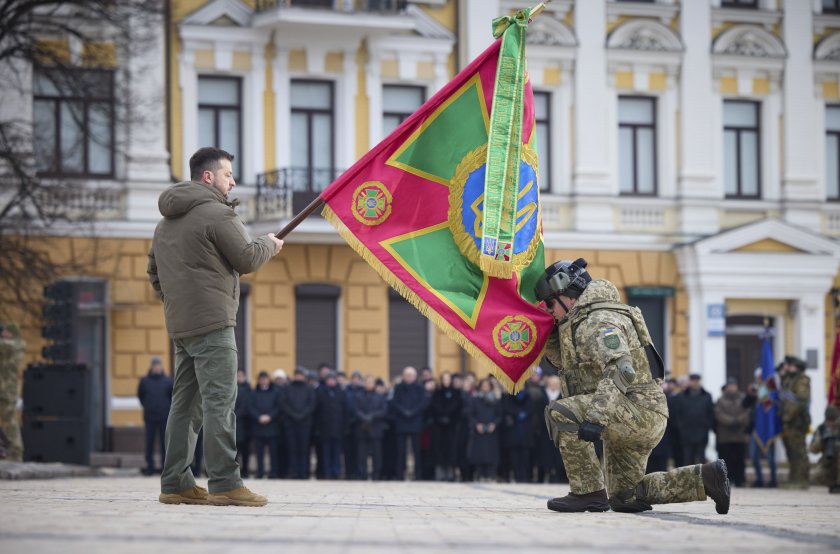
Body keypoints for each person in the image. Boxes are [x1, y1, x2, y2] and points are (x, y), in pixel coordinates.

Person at [539, 258, 730, 514]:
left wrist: (596, 417)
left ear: (569, 296)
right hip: (636, 413)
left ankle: (587, 493)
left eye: (550, 303)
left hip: (636, 412)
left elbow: (622, 368)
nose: (549, 310)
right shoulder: (583, 320)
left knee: (561, 412)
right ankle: (706, 478)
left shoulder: (598, 320)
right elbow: (567, 363)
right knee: (625, 497)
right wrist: (552, 334)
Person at [148, 146, 283, 506]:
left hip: (182, 326)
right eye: (228, 175)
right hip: (214, 324)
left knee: (185, 406)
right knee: (220, 402)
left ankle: (175, 482)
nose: (232, 182)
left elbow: (154, 273)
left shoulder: (165, 223)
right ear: (208, 177)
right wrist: (268, 244)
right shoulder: (217, 213)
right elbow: (247, 258)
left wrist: (177, 302)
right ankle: (225, 482)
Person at [137, 356, 173, 475]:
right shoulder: (145, 381)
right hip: (150, 417)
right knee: (149, 442)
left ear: (161, 366)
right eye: (155, 365)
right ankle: (150, 467)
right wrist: (148, 406)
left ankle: (165, 467)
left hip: (164, 417)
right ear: (152, 366)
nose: (157, 367)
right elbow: (140, 396)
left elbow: (172, 398)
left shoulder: (168, 381)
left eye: (159, 365)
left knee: (165, 443)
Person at [391, 366, 428, 480]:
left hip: (415, 422)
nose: (409, 377)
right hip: (402, 422)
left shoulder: (420, 388)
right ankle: (400, 475)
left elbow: (423, 403)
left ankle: (418, 475)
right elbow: (395, 403)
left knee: (417, 451)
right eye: (407, 375)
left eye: (411, 375)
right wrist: (404, 412)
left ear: (415, 376)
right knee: (400, 450)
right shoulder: (398, 387)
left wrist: (412, 412)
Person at [779, 356, 811, 489]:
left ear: (797, 367)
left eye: (790, 365)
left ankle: (802, 480)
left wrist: (789, 416)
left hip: (797, 420)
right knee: (791, 451)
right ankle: (794, 478)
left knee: (799, 451)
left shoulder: (801, 380)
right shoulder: (790, 379)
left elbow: (801, 400)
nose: (787, 367)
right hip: (789, 420)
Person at [280, 368, 316, 479]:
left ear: (303, 376)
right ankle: (293, 471)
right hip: (291, 424)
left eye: (300, 375)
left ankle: (304, 472)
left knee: (304, 449)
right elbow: (284, 404)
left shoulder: (309, 389)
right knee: (292, 448)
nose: (298, 377)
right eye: (297, 375)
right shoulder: (288, 388)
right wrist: (294, 415)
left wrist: (302, 415)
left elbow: (312, 404)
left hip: (305, 424)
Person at [714, 378, 749, 487]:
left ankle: (740, 480)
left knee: (740, 460)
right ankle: (727, 480)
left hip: (740, 435)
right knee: (726, 460)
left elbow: (747, 411)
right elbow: (718, 414)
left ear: (736, 387)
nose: (732, 388)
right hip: (725, 436)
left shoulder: (743, 398)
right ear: (727, 387)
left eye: (733, 385)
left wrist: (738, 420)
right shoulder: (720, 400)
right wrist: (730, 421)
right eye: (730, 386)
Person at [673, 374, 714, 465]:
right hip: (686, 433)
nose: (695, 383)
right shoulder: (681, 396)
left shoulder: (707, 396)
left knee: (701, 459)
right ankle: (689, 479)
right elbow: (678, 414)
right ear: (690, 382)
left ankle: (701, 478)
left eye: (697, 381)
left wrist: (706, 425)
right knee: (687, 459)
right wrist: (681, 427)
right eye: (693, 380)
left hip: (702, 432)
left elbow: (710, 413)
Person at [354, 375, 388, 480]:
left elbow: (384, 410)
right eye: (367, 382)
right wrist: (364, 417)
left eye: (371, 382)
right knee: (361, 454)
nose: (369, 384)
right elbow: (356, 410)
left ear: (374, 384)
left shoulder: (380, 396)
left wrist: (372, 416)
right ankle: (362, 474)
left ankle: (376, 475)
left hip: (376, 428)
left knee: (377, 454)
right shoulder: (358, 396)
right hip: (362, 427)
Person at [430, 371, 463, 481]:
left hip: (452, 426)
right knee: (439, 449)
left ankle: (450, 473)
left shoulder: (457, 393)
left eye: (448, 379)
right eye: (444, 379)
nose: (446, 381)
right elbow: (433, 407)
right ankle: (440, 473)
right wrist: (440, 417)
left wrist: (450, 418)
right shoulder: (437, 393)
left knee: (451, 449)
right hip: (438, 426)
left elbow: (458, 408)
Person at [467, 378, 501, 482]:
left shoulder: (495, 400)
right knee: (479, 454)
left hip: (491, 430)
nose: (485, 387)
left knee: (491, 453)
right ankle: (480, 474)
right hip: (479, 429)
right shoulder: (475, 399)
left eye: (487, 385)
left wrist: (494, 424)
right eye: (483, 385)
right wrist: (476, 424)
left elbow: (499, 415)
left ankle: (490, 474)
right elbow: (471, 414)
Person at [0, 322, 25, 462]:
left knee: (9, 422)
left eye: (6, 332)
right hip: (3, 389)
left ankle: (15, 453)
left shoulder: (17, 345)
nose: (4, 334)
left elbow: (6, 346)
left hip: (7, 391)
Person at [315, 372, 348, 479]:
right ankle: (327, 472)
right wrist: (318, 428)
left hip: (338, 428)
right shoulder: (321, 392)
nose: (331, 381)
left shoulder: (341, 393)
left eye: (332, 379)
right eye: (329, 379)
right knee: (326, 453)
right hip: (325, 429)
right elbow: (317, 412)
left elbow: (345, 412)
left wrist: (344, 427)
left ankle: (336, 472)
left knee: (336, 453)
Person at [250, 371, 281, 479]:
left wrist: (270, 416)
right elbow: (250, 407)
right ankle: (260, 472)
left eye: (265, 378)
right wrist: (258, 417)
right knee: (259, 453)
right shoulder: (254, 393)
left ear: (268, 380)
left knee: (273, 452)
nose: (263, 380)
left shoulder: (275, 392)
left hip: (272, 426)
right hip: (258, 427)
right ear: (258, 380)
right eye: (261, 378)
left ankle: (273, 473)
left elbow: (278, 407)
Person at [810, 405, 839, 493]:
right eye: (828, 421)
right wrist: (820, 440)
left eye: (833, 421)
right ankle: (833, 485)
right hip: (828, 461)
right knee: (815, 476)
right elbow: (813, 450)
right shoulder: (821, 429)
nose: (831, 423)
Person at [234, 369, 252, 478]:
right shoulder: (231, 388)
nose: (239, 377)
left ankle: (245, 471)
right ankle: (236, 472)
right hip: (234, 423)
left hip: (246, 424)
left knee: (246, 450)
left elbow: (249, 405)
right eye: (237, 375)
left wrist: (237, 414)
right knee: (234, 450)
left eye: (241, 375)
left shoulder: (249, 389)